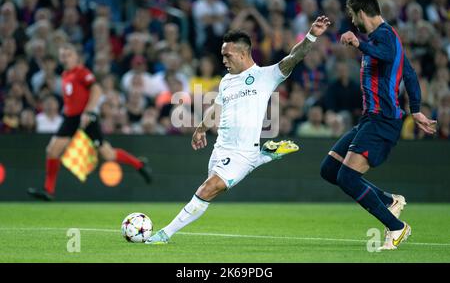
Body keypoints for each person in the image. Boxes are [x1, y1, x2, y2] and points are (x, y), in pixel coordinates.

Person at [146, 16, 331, 244]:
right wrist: (201, 129)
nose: (223, 59)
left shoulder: (266, 76)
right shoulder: (226, 81)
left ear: (243, 54)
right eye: (222, 55)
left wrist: (311, 35)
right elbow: (216, 107)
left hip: (240, 153)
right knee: (210, 190)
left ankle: (165, 234)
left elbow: (295, 56)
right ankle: (262, 156)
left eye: (227, 55)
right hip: (221, 149)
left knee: (208, 189)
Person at [319, 0, 437, 251]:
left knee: (348, 179)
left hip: (382, 120)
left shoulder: (383, 37)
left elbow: (382, 55)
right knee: (330, 170)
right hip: (369, 119)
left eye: (353, 15)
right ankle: (387, 201)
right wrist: (416, 110)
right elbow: (410, 74)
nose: (352, 21)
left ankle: (397, 228)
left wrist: (358, 43)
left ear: (361, 13)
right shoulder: (388, 39)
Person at [28, 43, 152, 201]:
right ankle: (48, 190)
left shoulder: (82, 72)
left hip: (86, 117)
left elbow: (96, 90)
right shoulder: (66, 74)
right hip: (71, 118)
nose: (65, 57)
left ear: (76, 57)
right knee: (52, 150)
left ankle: (139, 165)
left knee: (108, 154)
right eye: (63, 55)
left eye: (68, 54)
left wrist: (89, 111)